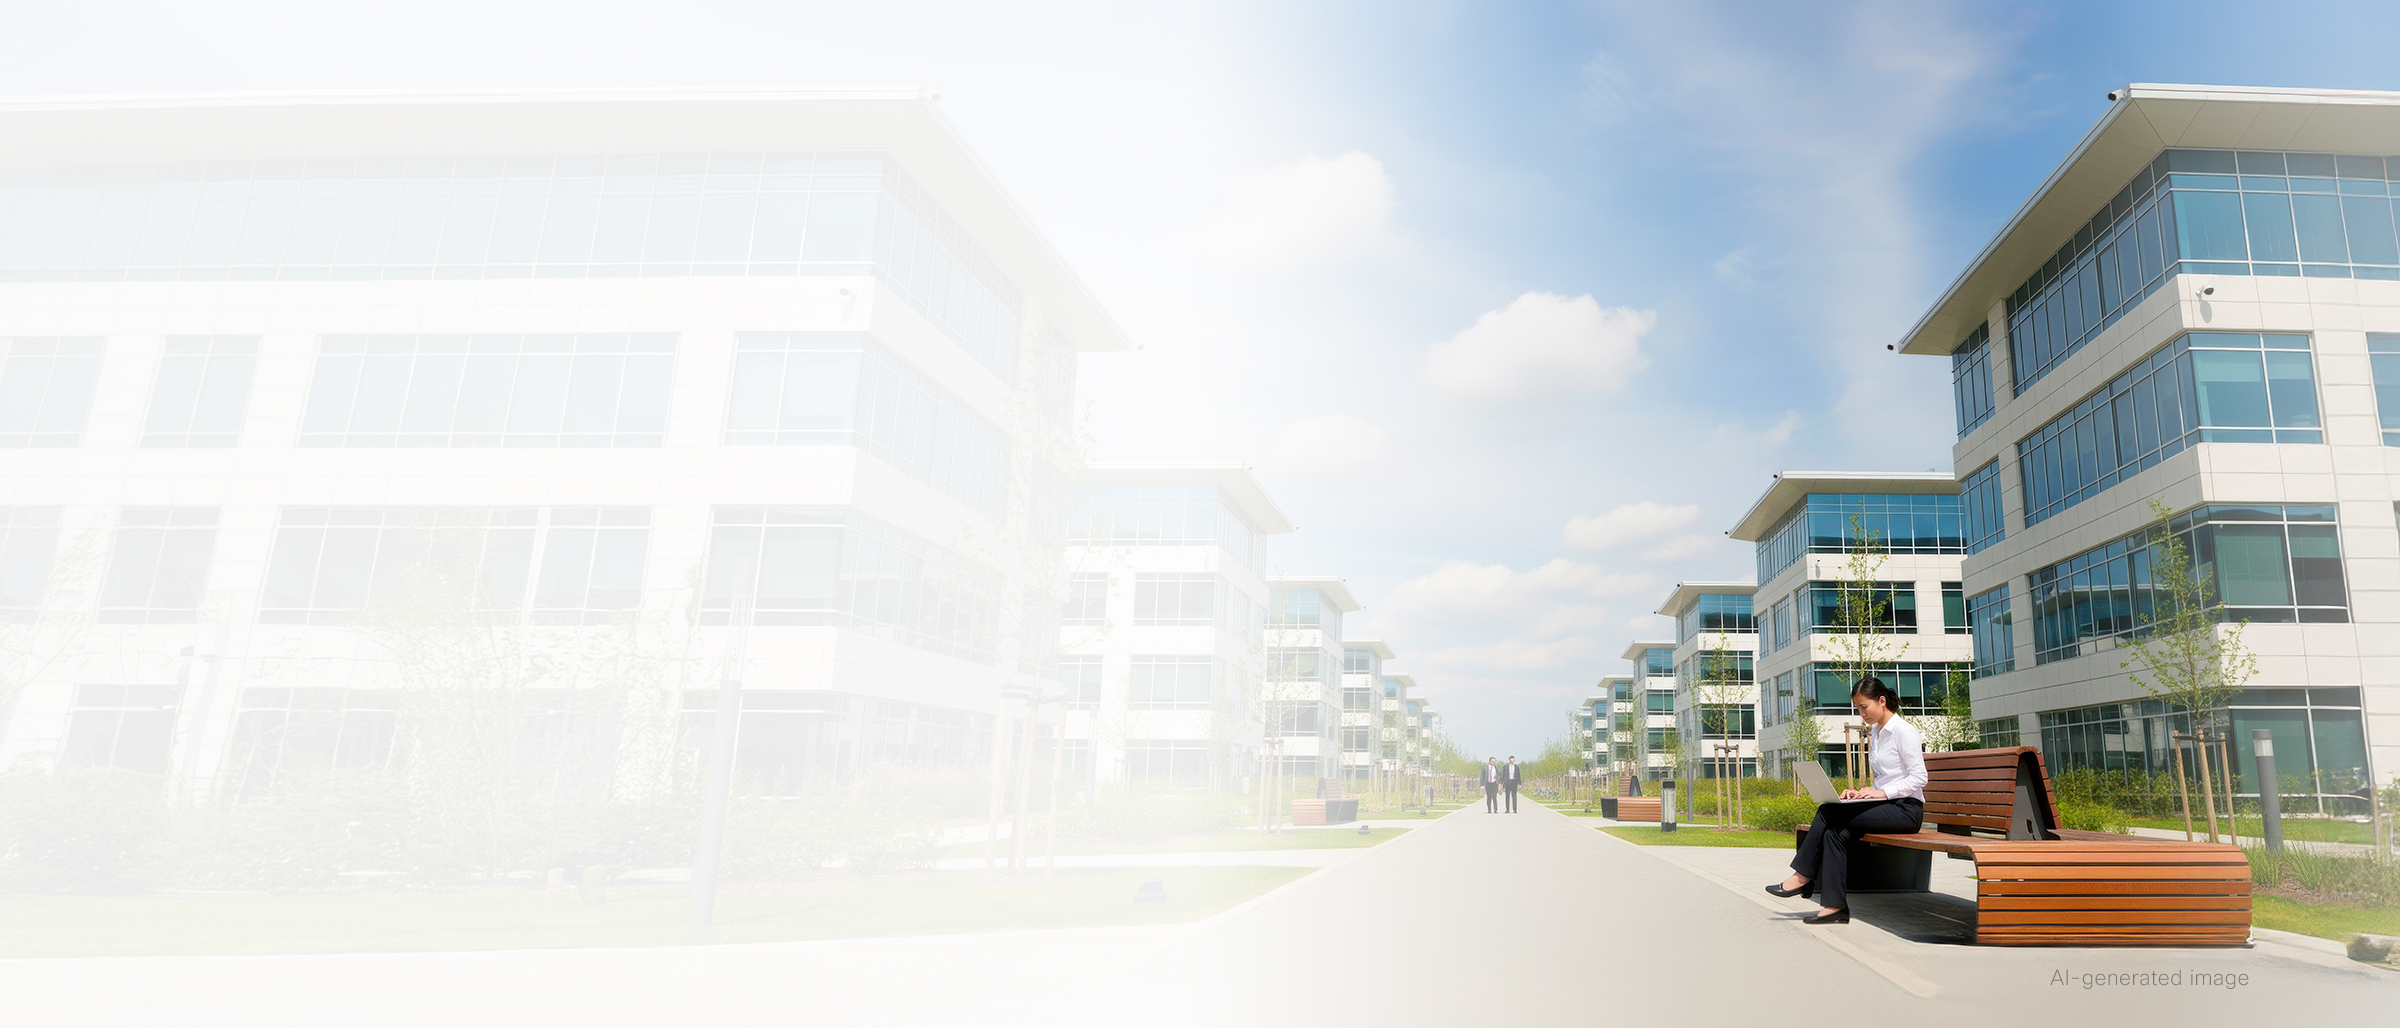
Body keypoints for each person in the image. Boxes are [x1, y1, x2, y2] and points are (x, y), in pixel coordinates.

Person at [1765, 676, 1926, 924]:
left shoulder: (1904, 732)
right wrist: (1863, 793)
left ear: (1882, 701)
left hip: (1906, 810)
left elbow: (1919, 778)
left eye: (1864, 707)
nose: (1861, 713)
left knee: (1828, 812)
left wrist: (1881, 793)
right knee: (1834, 834)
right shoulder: (1878, 733)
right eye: (1858, 708)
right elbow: (1887, 778)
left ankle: (1802, 876)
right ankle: (1835, 907)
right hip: (1885, 805)